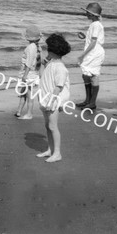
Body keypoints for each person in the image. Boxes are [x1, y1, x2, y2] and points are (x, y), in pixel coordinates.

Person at [36, 33, 71, 163]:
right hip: (46, 97)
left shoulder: (60, 68)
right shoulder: (51, 64)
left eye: (48, 48)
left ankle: (57, 153)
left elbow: (59, 87)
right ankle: (50, 149)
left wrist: (51, 101)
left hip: (54, 100)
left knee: (53, 126)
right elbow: (42, 76)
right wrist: (44, 64)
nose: (47, 50)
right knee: (47, 125)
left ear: (53, 50)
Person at [76, 2, 105, 111]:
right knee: (86, 75)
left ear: (93, 14)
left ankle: (92, 103)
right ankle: (88, 100)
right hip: (93, 52)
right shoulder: (95, 24)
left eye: (87, 12)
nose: (86, 14)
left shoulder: (96, 25)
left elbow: (93, 43)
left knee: (93, 76)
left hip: (94, 53)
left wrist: (82, 55)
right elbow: (92, 40)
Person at [15, 25, 42, 119]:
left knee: (29, 94)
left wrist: (25, 75)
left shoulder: (31, 47)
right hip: (33, 73)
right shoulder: (37, 47)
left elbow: (29, 63)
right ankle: (19, 111)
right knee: (23, 92)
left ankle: (29, 114)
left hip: (29, 74)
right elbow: (38, 62)